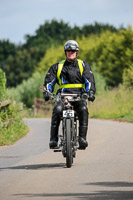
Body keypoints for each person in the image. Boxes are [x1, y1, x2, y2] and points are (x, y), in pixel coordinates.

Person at [43, 40, 95, 149]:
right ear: (65, 52)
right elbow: (49, 81)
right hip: (62, 96)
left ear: (77, 52)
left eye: (73, 51)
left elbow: (89, 81)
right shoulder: (57, 66)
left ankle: (82, 138)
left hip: (78, 96)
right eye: (68, 51)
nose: (70, 52)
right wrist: (47, 92)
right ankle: (53, 139)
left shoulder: (83, 65)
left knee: (83, 110)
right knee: (57, 110)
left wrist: (90, 92)